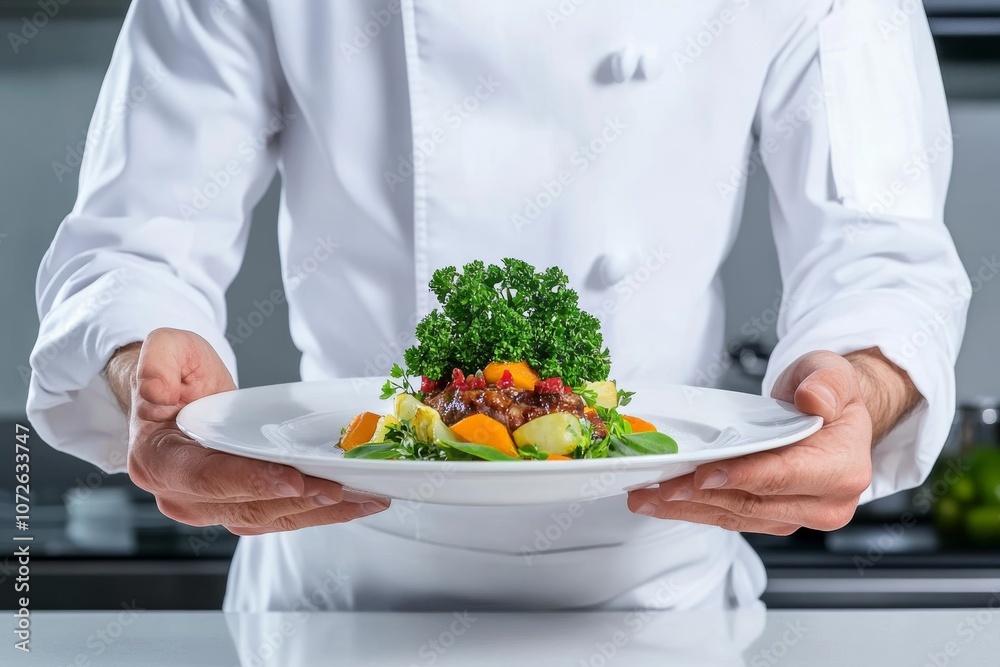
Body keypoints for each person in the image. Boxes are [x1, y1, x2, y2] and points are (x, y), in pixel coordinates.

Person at [29, 0, 970, 612]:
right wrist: (145, 362)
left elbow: (882, 248)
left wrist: (860, 382)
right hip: (338, 587)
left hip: (657, 597)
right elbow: (130, 242)